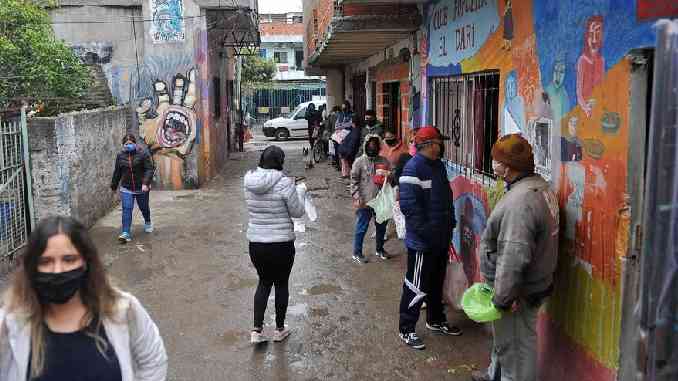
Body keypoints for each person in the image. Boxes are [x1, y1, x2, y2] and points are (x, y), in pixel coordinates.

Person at [0, 216, 167, 380]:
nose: (58, 270)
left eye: (69, 259)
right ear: (32, 267)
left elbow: (153, 360)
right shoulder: (9, 323)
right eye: (46, 261)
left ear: (86, 262)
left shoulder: (122, 309)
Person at [471, 134, 559, 381]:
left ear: (507, 167)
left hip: (517, 292)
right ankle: (494, 374)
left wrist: (503, 298)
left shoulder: (521, 202)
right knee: (507, 340)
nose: (492, 164)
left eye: (495, 160)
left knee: (517, 350)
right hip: (527, 286)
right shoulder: (538, 186)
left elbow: (514, 256)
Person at [398, 126, 461, 350]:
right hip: (423, 243)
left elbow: (446, 197)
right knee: (416, 286)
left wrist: (450, 224)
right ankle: (406, 328)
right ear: (430, 144)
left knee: (436, 283)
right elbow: (409, 207)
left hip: (441, 239)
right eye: (439, 142)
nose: (442, 146)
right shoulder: (412, 169)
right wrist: (428, 234)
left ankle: (435, 320)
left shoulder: (439, 167)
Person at [244, 146, 305, 344]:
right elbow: (297, 212)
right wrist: (300, 193)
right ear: (280, 161)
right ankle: (279, 329)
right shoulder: (285, 183)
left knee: (263, 282)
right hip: (281, 245)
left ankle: (256, 331)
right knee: (281, 284)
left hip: (257, 244)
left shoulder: (249, 181)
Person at [350, 134, 390, 263]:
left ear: (379, 147)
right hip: (364, 201)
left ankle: (379, 249)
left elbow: (391, 180)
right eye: (370, 146)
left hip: (381, 202)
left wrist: (388, 175)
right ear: (366, 146)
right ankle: (357, 253)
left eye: (375, 146)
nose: (372, 148)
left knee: (381, 228)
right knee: (362, 227)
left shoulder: (384, 161)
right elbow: (353, 181)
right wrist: (356, 197)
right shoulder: (359, 162)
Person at [111, 134, 155, 244]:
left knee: (144, 207)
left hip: (141, 187)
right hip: (127, 188)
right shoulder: (120, 156)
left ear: (135, 144)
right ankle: (126, 233)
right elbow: (117, 172)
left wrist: (146, 183)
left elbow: (149, 169)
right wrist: (113, 186)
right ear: (123, 145)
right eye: (126, 144)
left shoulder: (143, 153)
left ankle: (148, 221)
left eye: (130, 144)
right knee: (127, 208)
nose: (128, 146)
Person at [337, 114, 362, 179]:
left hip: (348, 153)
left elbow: (352, 145)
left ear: (354, 122)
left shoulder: (355, 132)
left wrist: (347, 153)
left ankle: (347, 176)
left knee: (348, 166)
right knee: (346, 165)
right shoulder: (354, 130)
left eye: (351, 121)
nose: (350, 123)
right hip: (347, 151)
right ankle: (347, 175)